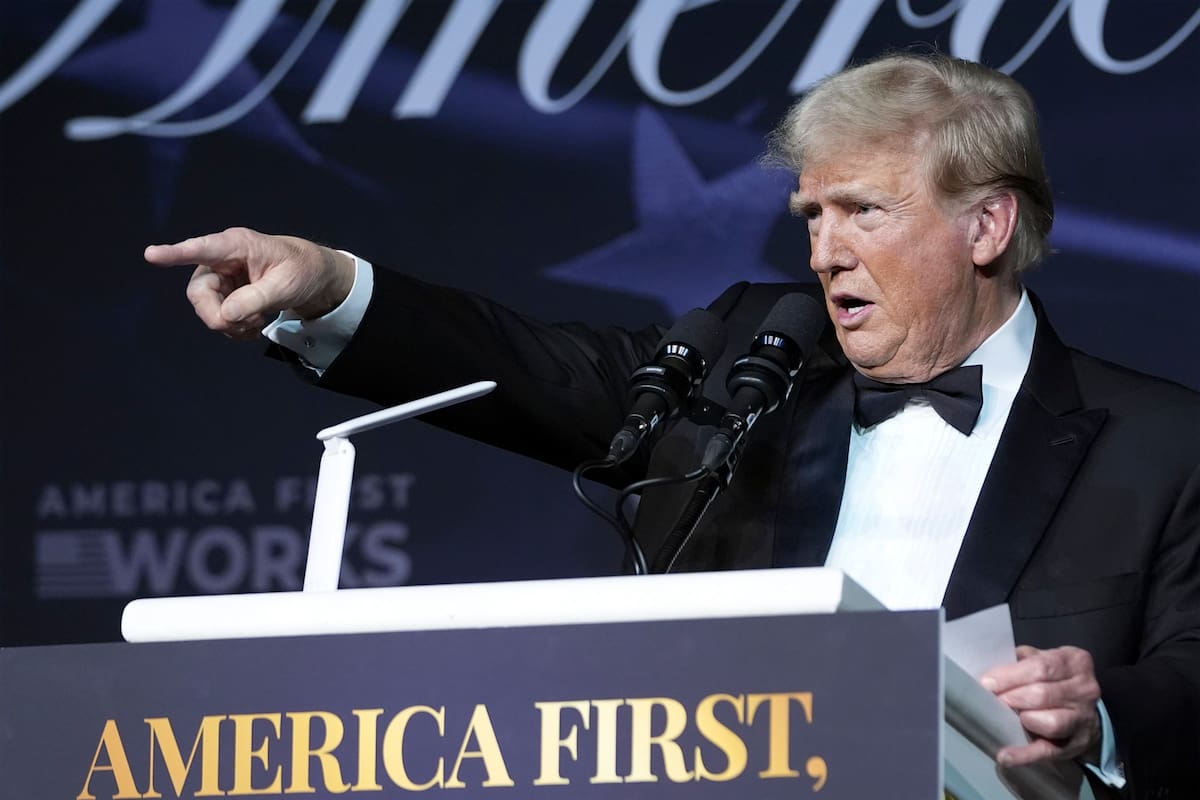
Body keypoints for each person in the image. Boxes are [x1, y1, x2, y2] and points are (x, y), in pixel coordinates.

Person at [146, 53, 1200, 797]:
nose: (824, 252)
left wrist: (1103, 711)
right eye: (813, 215)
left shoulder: (1162, 441)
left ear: (987, 225)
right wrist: (332, 287)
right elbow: (533, 367)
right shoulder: (757, 357)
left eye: (864, 211)